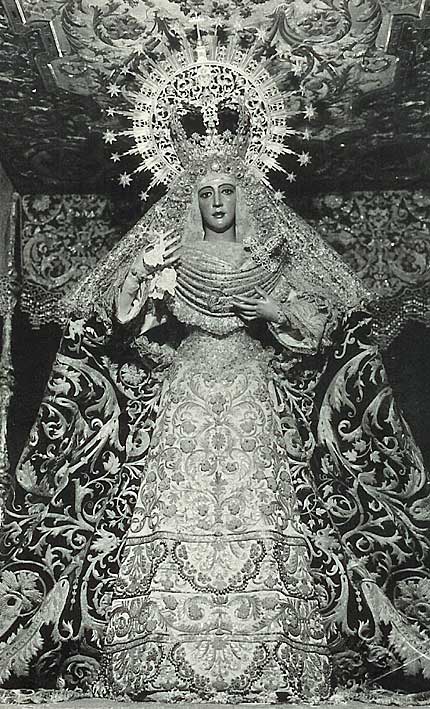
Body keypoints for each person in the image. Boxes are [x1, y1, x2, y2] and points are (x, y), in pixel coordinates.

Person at [0, 36, 430, 706]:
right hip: (189, 383)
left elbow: (316, 330)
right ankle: (166, 644)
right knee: (180, 496)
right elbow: (125, 323)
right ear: (192, 199)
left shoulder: (267, 258)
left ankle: (270, 649)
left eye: (228, 189)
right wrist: (142, 277)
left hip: (252, 385)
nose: (219, 200)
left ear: (243, 195)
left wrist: (272, 310)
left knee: (260, 496)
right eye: (206, 191)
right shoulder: (172, 257)